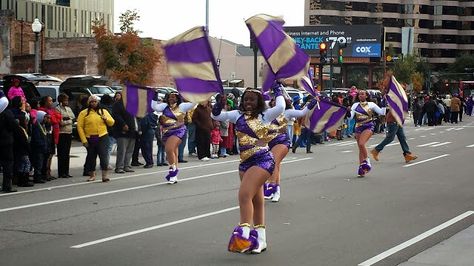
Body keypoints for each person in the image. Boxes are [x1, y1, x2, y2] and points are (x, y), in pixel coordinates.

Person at [211, 84, 285, 254]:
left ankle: (244, 232)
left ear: (258, 101)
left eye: (252, 99)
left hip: (263, 160)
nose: (248, 102)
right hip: (244, 163)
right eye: (245, 100)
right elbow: (217, 115)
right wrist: (218, 104)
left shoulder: (265, 115)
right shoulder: (237, 115)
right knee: (256, 201)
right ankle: (261, 239)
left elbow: (281, 107)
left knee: (244, 195)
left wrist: (278, 91)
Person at [264, 97, 316, 202]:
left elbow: (302, 112)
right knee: (275, 165)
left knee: (273, 162)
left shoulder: (288, 112)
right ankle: (276, 191)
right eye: (274, 100)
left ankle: (271, 186)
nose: (275, 102)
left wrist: (311, 103)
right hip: (268, 142)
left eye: (278, 100)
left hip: (281, 141)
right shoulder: (268, 112)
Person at [370, 76, 417, 164]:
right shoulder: (392, 97)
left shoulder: (398, 98)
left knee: (402, 138)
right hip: (393, 120)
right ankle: (376, 150)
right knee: (390, 138)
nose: (404, 91)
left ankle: (407, 154)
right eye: (403, 90)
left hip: (397, 120)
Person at [151, 92, 195, 184]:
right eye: (170, 97)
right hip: (166, 131)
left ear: (177, 98)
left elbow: (193, 104)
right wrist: (154, 94)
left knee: (169, 149)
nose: (171, 98)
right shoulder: (164, 106)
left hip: (179, 130)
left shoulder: (182, 106)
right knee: (174, 152)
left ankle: (172, 170)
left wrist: (192, 92)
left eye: (174, 97)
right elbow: (154, 107)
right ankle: (174, 175)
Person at [77, 95, 115, 182]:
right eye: (91, 102)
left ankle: (104, 176)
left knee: (103, 156)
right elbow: (80, 127)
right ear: (89, 103)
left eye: (95, 101)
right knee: (91, 157)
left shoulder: (103, 111)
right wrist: (84, 140)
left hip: (102, 136)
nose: (93, 103)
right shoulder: (83, 113)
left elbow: (112, 123)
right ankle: (92, 175)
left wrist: (106, 119)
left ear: (98, 102)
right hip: (90, 137)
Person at [350, 90, 385, 177]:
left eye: (362, 94)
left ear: (366, 96)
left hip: (368, 126)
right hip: (358, 127)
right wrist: (346, 111)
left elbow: (382, 112)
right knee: (360, 148)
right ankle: (362, 168)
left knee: (362, 144)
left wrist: (384, 103)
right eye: (359, 94)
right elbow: (350, 117)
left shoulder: (371, 104)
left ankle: (367, 161)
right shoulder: (355, 105)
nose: (360, 95)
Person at [112, 92, 137, 174]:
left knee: (130, 150)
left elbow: (135, 117)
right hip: (122, 130)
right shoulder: (118, 104)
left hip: (132, 130)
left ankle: (127, 165)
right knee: (122, 150)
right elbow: (116, 115)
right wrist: (123, 124)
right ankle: (119, 167)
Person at [0, 92, 18, 192]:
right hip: (6, 141)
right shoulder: (7, 113)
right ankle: (7, 186)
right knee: (8, 164)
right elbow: (13, 126)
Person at [56, 93, 75, 178]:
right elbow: (61, 122)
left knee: (67, 153)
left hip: (69, 132)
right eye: (65, 100)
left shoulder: (68, 108)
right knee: (62, 153)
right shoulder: (58, 109)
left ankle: (66, 171)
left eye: (67, 100)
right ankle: (61, 172)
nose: (67, 102)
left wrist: (68, 119)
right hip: (62, 133)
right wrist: (68, 120)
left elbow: (73, 117)